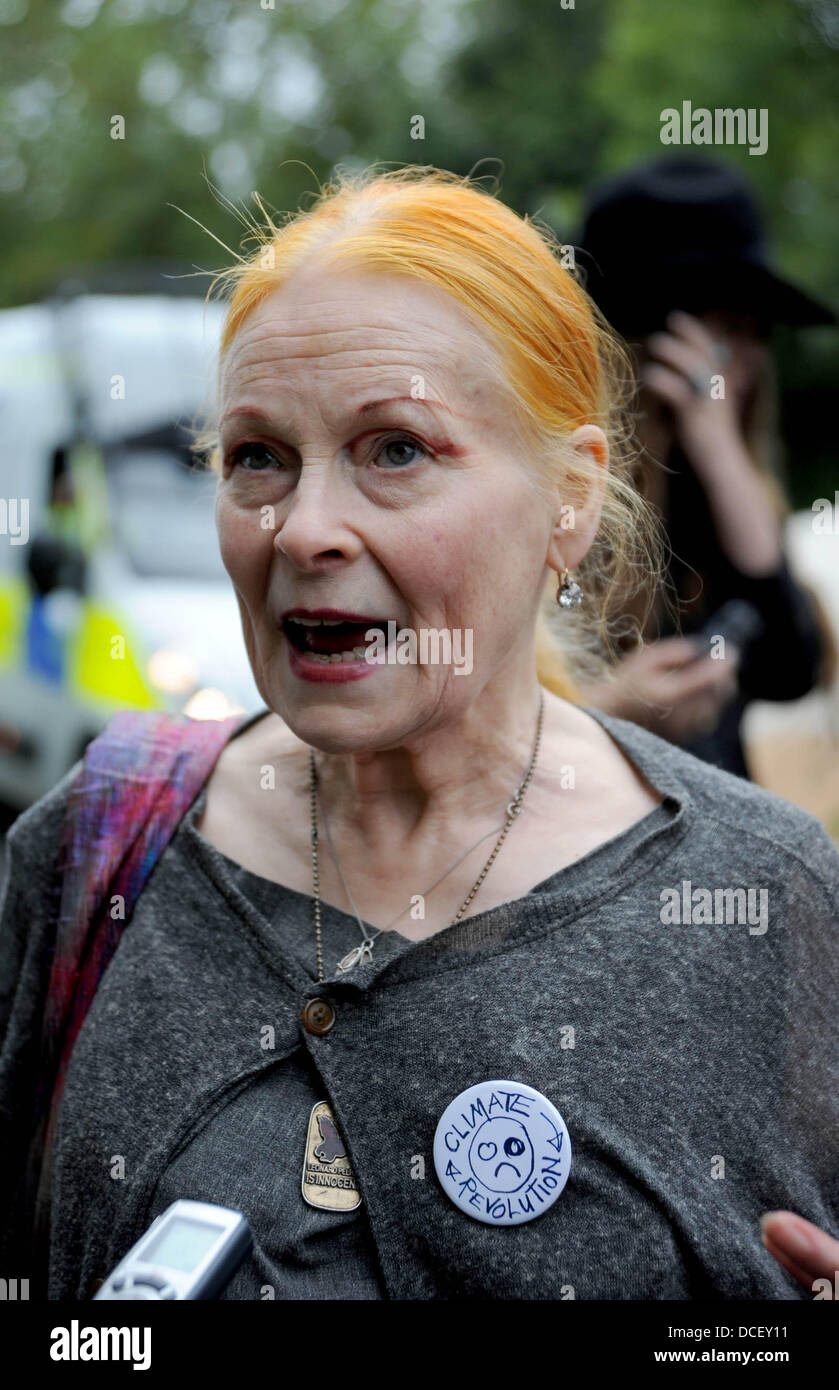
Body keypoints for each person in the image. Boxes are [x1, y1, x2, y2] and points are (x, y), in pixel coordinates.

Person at [1, 165, 838, 1301]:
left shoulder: (773, 900)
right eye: (256, 456)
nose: (303, 529)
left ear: (569, 499)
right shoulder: (94, 850)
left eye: (395, 448)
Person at [575, 157, 836, 778]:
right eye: (727, 333)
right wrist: (609, 709)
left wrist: (720, 445)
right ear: (654, 349)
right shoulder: (567, 496)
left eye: (755, 332)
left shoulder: (716, 485)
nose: (747, 362)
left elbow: (788, 666)